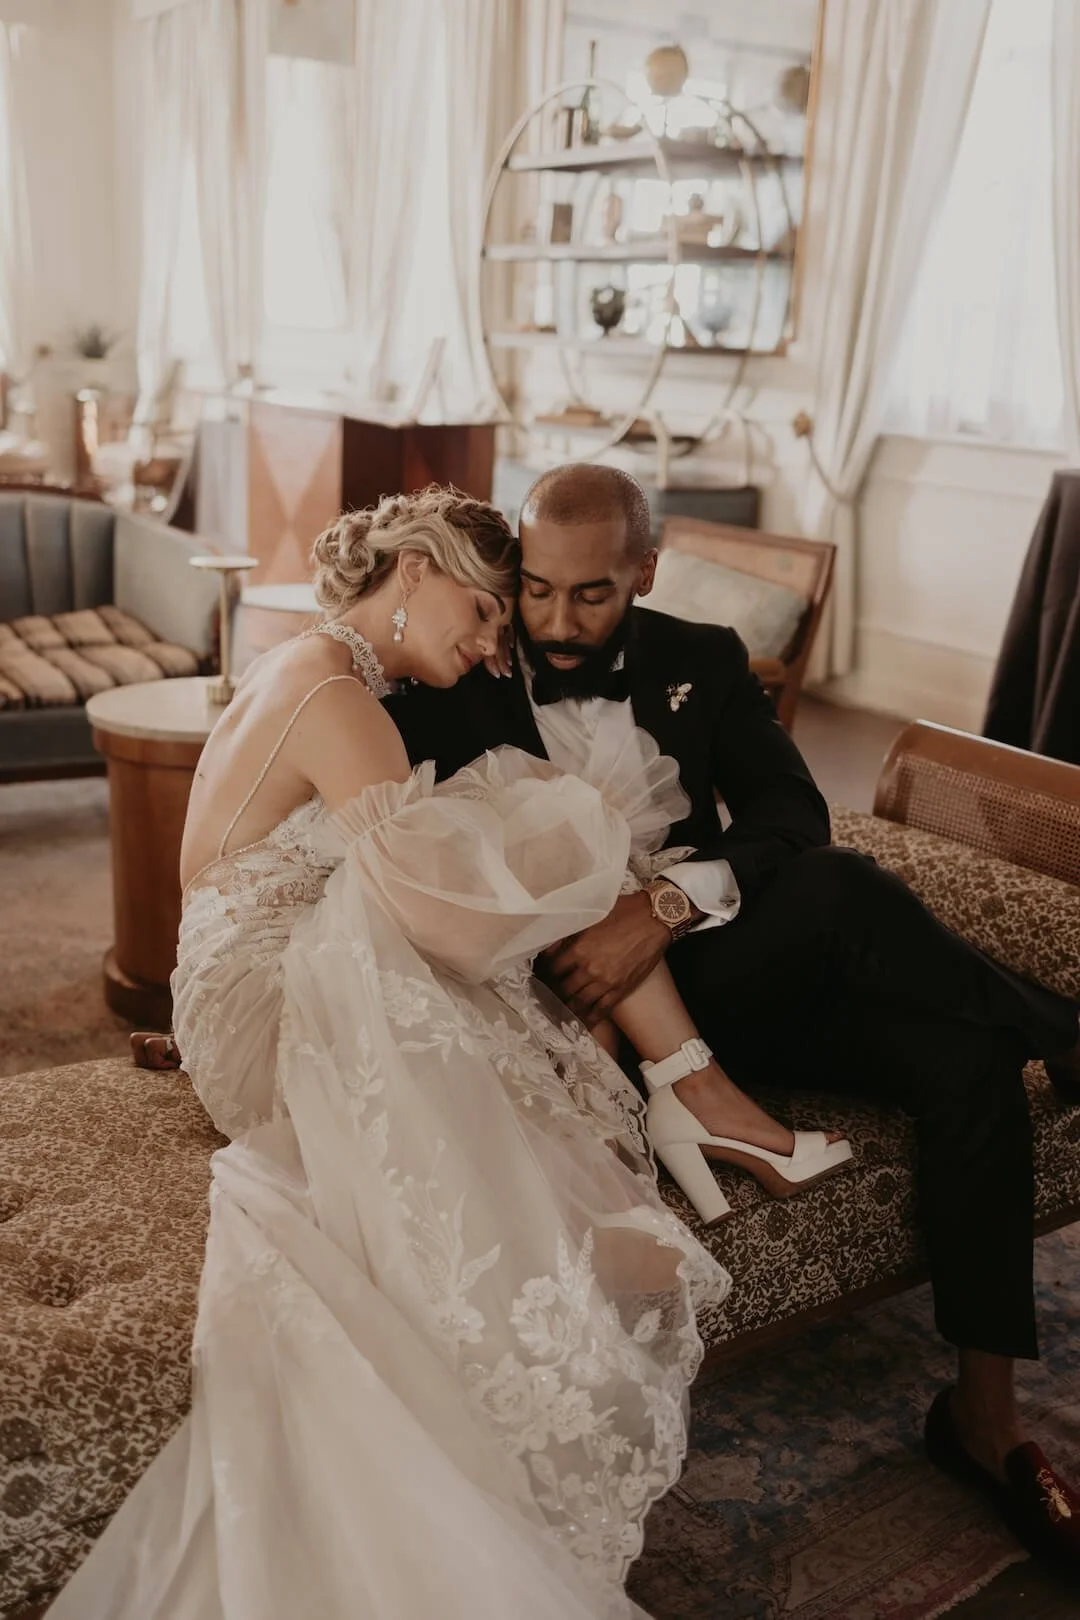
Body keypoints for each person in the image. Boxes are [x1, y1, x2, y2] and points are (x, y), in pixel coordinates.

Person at [54, 485, 768, 1620]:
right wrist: (582, 846)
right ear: (418, 569)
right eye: (484, 613)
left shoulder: (311, 670)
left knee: (467, 866)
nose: (492, 648)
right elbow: (439, 920)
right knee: (473, 870)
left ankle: (661, 1112)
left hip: (227, 986)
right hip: (258, 1000)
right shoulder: (338, 699)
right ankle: (672, 1108)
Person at [384, 463, 1080, 1572]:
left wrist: (660, 908)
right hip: (580, 1011)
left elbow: (792, 815)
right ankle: (1065, 1034)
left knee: (965, 1050)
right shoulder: (456, 665)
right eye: (538, 590)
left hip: (721, 974)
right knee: (853, 905)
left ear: (646, 573)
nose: (556, 623)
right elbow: (370, 861)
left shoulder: (700, 658)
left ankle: (984, 1420)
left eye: (592, 594)